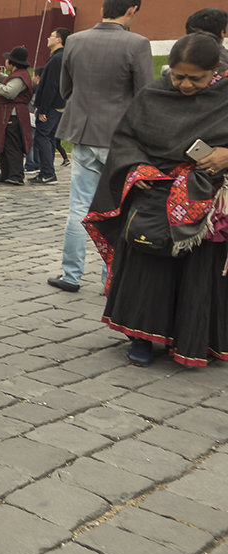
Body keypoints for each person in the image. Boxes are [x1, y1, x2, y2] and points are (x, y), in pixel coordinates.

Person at [83, 33, 228, 367]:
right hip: (153, 197)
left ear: (216, 70)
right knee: (150, 272)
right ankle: (142, 336)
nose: (185, 84)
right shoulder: (152, 94)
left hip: (205, 206)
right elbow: (126, 138)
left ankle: (195, 337)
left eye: (196, 78)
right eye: (179, 76)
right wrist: (137, 168)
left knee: (197, 272)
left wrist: (224, 156)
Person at [49, 0, 153, 292]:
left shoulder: (76, 41)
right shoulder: (137, 44)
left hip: (82, 133)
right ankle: (113, 277)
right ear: (132, 10)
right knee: (121, 208)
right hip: (120, 139)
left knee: (79, 207)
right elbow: (144, 96)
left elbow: (65, 89)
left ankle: (71, 274)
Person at [0, 46, 34, 186]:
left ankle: (16, 175)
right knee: (4, 145)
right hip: (7, 115)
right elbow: (11, 82)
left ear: (12, 62)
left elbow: (10, 91)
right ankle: (6, 174)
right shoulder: (19, 74)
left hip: (12, 116)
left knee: (12, 146)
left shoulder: (20, 76)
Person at [31, 28, 71, 184]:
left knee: (43, 136)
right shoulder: (61, 57)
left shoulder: (56, 59)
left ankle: (48, 173)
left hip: (53, 106)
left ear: (59, 40)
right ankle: (45, 172)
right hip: (59, 105)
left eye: (51, 36)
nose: (48, 38)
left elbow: (50, 86)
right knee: (49, 138)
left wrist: (43, 109)